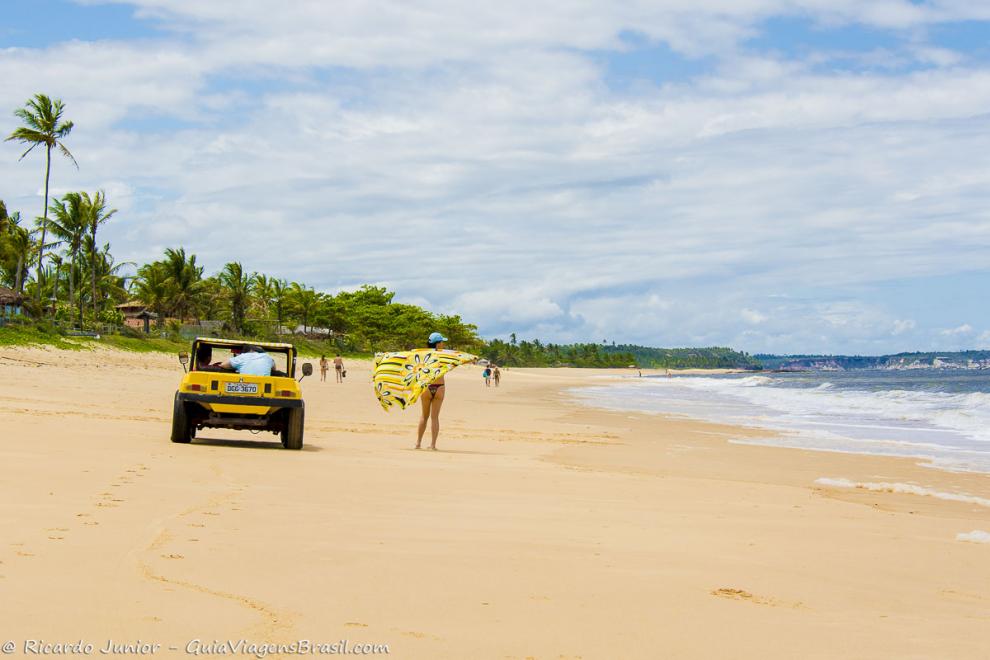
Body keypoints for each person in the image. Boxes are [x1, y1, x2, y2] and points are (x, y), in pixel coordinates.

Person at [416, 332, 449, 450]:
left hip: (426, 387)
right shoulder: (444, 356)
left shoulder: (423, 355)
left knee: (424, 416)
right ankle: (433, 445)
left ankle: (418, 443)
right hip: (439, 387)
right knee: (434, 417)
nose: (443, 344)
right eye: (442, 342)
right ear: (438, 343)